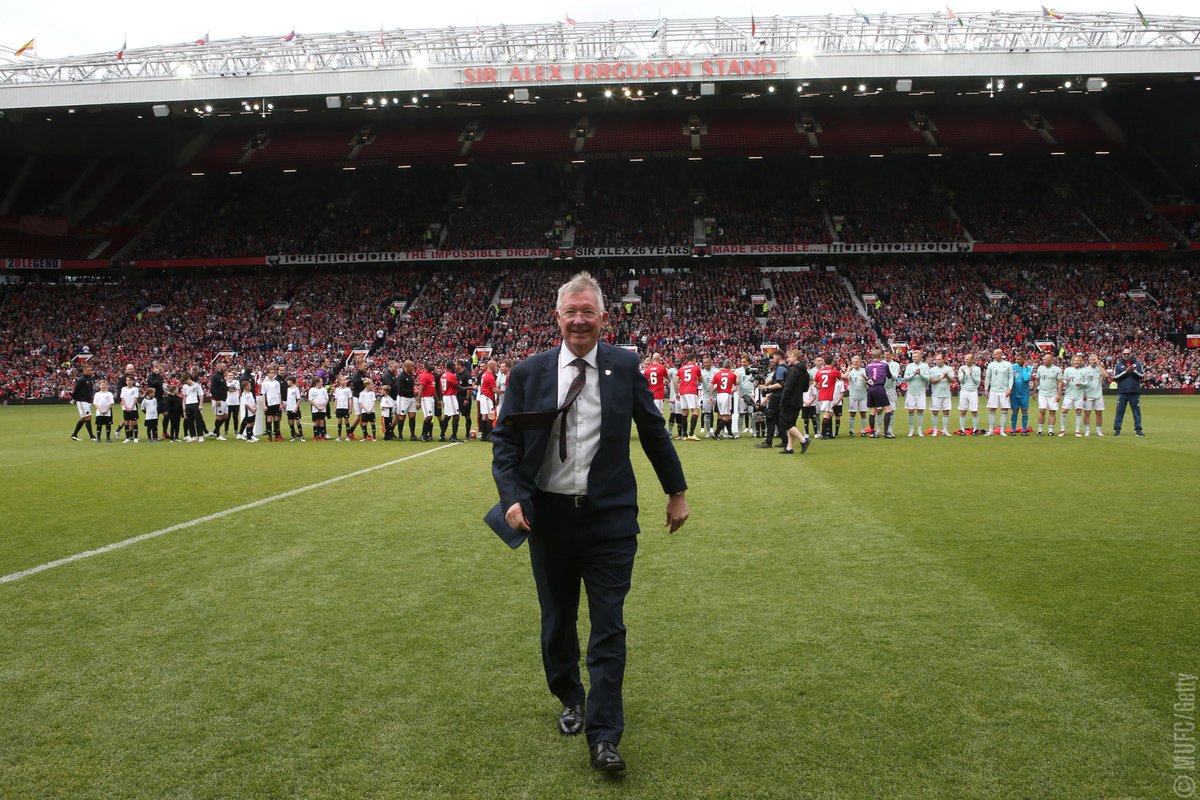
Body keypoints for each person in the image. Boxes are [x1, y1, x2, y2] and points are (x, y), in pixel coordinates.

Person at [490, 271, 688, 773]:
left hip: (610, 520)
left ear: (604, 316)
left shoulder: (624, 365)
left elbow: (653, 429)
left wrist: (676, 492)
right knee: (557, 622)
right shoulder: (528, 373)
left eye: (588, 312)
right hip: (549, 519)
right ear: (557, 317)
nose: (579, 320)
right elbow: (506, 444)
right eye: (570, 312)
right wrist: (512, 497)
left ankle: (604, 735)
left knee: (608, 625)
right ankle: (570, 696)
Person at [777, 349, 812, 455]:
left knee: (784, 423)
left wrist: (783, 401)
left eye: (790, 356)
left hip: (789, 400)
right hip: (798, 400)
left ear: (796, 358)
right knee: (791, 424)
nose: (787, 358)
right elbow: (806, 388)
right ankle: (789, 448)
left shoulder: (793, 370)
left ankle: (803, 440)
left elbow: (788, 387)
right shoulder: (804, 370)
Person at [755, 351, 787, 449]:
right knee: (778, 419)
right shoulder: (782, 367)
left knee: (770, 418)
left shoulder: (781, 368)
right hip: (780, 396)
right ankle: (784, 440)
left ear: (778, 356)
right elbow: (773, 379)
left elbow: (779, 384)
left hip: (777, 396)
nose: (772, 359)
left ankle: (768, 442)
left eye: (774, 357)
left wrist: (766, 388)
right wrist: (765, 385)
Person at [1111, 348, 1145, 436]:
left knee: (1136, 412)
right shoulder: (1118, 365)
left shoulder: (1137, 364)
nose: (1126, 355)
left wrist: (1133, 371)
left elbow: (1142, 376)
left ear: (1131, 354)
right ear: (1122, 355)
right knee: (1119, 411)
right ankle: (1117, 430)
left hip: (1134, 391)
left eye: (1128, 354)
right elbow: (1115, 377)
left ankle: (1138, 430)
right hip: (1122, 392)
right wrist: (1126, 372)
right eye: (1124, 354)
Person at [864, 348, 894, 439]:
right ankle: (886, 432)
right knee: (888, 408)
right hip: (879, 387)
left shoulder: (868, 366)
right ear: (881, 356)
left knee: (872, 410)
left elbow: (868, 376)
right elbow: (889, 376)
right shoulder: (884, 365)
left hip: (870, 388)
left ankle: (872, 432)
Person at [1032, 353, 1063, 436]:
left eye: (1045, 359)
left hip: (1053, 393)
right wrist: (1034, 391)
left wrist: (1059, 394)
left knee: (1052, 412)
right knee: (1042, 410)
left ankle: (1051, 430)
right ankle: (1040, 430)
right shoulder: (1040, 368)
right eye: (1043, 359)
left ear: (1050, 360)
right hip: (1042, 393)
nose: (1043, 361)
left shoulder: (1057, 369)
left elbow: (1060, 383)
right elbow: (1037, 380)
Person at [984, 348, 1013, 436]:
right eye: (994, 354)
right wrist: (986, 389)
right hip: (993, 390)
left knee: (1004, 410)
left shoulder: (1008, 364)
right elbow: (988, 377)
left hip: (1004, 390)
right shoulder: (991, 365)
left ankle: (1002, 431)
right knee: (992, 409)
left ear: (1001, 354)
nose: (995, 355)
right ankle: (991, 430)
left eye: (996, 354)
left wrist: (1009, 388)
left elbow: (1011, 377)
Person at [901, 350, 929, 438]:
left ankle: (920, 430)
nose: (914, 358)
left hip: (920, 391)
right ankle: (911, 430)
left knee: (920, 410)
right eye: (913, 357)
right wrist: (914, 374)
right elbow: (905, 377)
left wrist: (920, 374)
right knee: (910, 410)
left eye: (915, 356)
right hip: (911, 391)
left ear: (920, 357)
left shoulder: (925, 366)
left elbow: (927, 378)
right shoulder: (909, 366)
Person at [1061, 353, 1088, 437]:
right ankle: (1062, 430)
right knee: (1064, 411)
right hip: (1069, 393)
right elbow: (1064, 380)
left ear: (1080, 362)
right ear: (1072, 361)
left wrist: (1081, 384)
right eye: (1075, 360)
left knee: (1078, 411)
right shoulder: (1067, 370)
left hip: (1079, 394)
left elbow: (1087, 382)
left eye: (1078, 360)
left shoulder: (1084, 370)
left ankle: (1077, 431)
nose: (1076, 362)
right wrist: (1066, 382)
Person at [926, 352, 953, 436]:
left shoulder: (949, 369)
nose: (937, 361)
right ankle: (935, 430)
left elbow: (952, 381)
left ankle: (945, 430)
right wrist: (942, 377)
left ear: (943, 360)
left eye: (939, 359)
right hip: (936, 394)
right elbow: (931, 381)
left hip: (946, 394)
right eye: (936, 359)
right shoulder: (932, 370)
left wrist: (947, 376)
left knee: (946, 412)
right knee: (934, 413)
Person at [675, 354, 701, 440]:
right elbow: (700, 379)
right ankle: (691, 433)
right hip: (691, 390)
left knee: (684, 413)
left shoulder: (681, 368)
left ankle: (684, 435)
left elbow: (675, 381)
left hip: (682, 391)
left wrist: (676, 393)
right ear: (694, 359)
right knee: (696, 411)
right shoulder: (696, 367)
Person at [711, 359, 738, 440]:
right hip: (726, 395)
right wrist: (730, 391)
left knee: (723, 415)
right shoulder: (732, 374)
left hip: (719, 395)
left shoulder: (718, 374)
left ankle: (730, 433)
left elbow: (711, 384)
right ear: (730, 365)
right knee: (726, 416)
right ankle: (716, 433)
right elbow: (736, 386)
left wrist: (710, 395)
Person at [70, 361, 96, 442]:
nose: (91, 372)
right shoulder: (81, 380)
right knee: (88, 417)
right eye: (89, 370)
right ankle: (92, 436)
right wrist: (74, 399)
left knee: (84, 418)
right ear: (84, 371)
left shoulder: (90, 379)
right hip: (82, 401)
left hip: (87, 401)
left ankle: (74, 434)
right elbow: (76, 390)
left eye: (91, 370)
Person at [1083, 354, 1107, 437]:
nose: (1094, 361)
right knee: (1087, 413)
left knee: (1099, 413)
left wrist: (1099, 365)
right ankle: (1087, 431)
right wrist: (1083, 393)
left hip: (1098, 395)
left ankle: (1099, 431)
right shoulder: (1085, 370)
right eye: (1093, 359)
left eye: (1096, 359)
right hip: (1088, 395)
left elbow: (1106, 375)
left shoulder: (1099, 369)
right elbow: (1082, 383)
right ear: (1089, 361)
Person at [957, 353, 982, 434]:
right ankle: (962, 430)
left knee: (974, 411)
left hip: (973, 391)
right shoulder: (962, 368)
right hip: (964, 391)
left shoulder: (977, 369)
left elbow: (977, 382)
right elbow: (961, 381)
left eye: (967, 359)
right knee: (962, 411)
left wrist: (971, 375)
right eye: (965, 359)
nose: (966, 360)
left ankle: (975, 430)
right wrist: (964, 374)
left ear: (972, 360)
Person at [1009, 352, 1033, 436]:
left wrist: (1024, 368)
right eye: (1016, 359)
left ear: (1024, 359)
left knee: (1024, 411)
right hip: (1014, 393)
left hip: (1024, 393)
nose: (1017, 360)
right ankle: (1013, 430)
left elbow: (1026, 378)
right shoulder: (1012, 367)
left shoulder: (1029, 368)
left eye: (1019, 359)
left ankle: (1023, 430)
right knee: (1014, 411)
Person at [844, 356, 868, 437]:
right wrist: (847, 374)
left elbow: (869, 381)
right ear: (852, 362)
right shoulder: (850, 372)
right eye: (854, 362)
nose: (855, 363)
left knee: (863, 413)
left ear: (860, 362)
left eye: (857, 361)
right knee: (852, 413)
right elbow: (844, 378)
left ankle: (863, 430)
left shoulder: (864, 370)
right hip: (853, 395)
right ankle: (851, 430)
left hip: (863, 395)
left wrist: (864, 377)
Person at [439, 360, 462, 443]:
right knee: (456, 415)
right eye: (454, 366)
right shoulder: (451, 376)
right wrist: (469, 388)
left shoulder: (443, 375)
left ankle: (442, 435)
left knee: (447, 416)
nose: (455, 367)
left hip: (445, 396)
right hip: (450, 396)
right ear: (451, 367)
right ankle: (454, 436)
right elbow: (458, 387)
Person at [642, 353, 670, 419]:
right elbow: (668, 378)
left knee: (650, 413)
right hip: (658, 395)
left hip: (649, 395)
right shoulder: (661, 368)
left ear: (652, 359)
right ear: (659, 359)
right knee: (659, 415)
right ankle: (658, 429)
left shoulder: (647, 370)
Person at [477, 360, 499, 442]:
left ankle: (484, 435)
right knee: (491, 416)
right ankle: (490, 435)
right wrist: (502, 391)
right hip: (487, 397)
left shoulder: (484, 374)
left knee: (485, 416)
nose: (496, 367)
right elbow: (494, 390)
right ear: (491, 366)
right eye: (495, 365)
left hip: (483, 396)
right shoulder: (490, 376)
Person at [396, 360, 418, 441]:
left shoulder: (411, 375)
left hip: (411, 398)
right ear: (407, 366)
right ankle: (400, 435)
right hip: (403, 398)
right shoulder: (401, 376)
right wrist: (414, 392)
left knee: (412, 416)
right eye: (412, 366)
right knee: (402, 417)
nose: (413, 368)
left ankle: (413, 435)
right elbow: (401, 390)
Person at [417, 362, 438, 442]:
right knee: (428, 417)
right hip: (425, 398)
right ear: (426, 366)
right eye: (431, 365)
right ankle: (423, 435)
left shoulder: (431, 375)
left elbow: (433, 389)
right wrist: (418, 402)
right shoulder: (424, 376)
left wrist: (437, 400)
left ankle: (428, 435)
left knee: (431, 417)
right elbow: (420, 389)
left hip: (431, 398)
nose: (433, 366)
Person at [210, 361, 230, 440]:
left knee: (225, 416)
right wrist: (217, 399)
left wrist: (229, 389)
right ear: (219, 368)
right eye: (224, 366)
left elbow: (222, 387)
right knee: (219, 416)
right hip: (218, 400)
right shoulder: (215, 377)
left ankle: (215, 431)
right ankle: (218, 435)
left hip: (224, 400)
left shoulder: (222, 376)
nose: (225, 367)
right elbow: (212, 389)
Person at [119, 375, 140, 443]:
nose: (128, 382)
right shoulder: (123, 389)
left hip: (133, 408)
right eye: (127, 380)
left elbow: (135, 398)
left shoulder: (135, 389)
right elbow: (123, 398)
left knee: (134, 422)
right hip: (125, 408)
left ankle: (135, 437)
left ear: (133, 381)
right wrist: (126, 406)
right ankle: (127, 438)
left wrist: (131, 407)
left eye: (130, 380)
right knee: (126, 422)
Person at [308, 375, 330, 441]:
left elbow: (327, 398)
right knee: (316, 422)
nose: (322, 383)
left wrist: (324, 406)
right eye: (321, 382)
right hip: (315, 409)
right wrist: (317, 406)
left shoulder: (324, 389)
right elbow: (311, 399)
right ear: (317, 383)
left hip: (323, 409)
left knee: (321, 421)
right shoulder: (312, 390)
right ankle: (315, 436)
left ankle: (322, 436)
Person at [333, 375, 354, 441]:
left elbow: (350, 399)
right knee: (339, 421)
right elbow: (336, 399)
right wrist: (335, 408)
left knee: (346, 421)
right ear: (339, 381)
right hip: (339, 407)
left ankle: (347, 436)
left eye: (345, 380)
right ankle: (339, 436)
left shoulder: (348, 389)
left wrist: (350, 408)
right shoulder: (337, 389)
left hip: (345, 407)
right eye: (343, 380)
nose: (345, 381)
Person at [285, 376, 305, 441]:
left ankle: (301, 435)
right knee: (291, 422)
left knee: (298, 422)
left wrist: (296, 408)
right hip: (289, 408)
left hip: (295, 408)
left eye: (288, 380)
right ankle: (292, 436)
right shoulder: (288, 389)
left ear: (291, 381)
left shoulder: (296, 389)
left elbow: (299, 399)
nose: (287, 381)